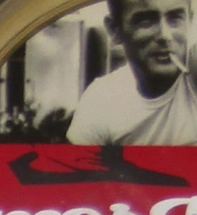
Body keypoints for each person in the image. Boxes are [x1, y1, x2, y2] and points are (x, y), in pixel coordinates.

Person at [70, 0, 197, 144]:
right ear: (114, 30)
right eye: (146, 21)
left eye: (175, 18)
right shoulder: (100, 100)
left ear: (190, 20)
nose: (165, 35)